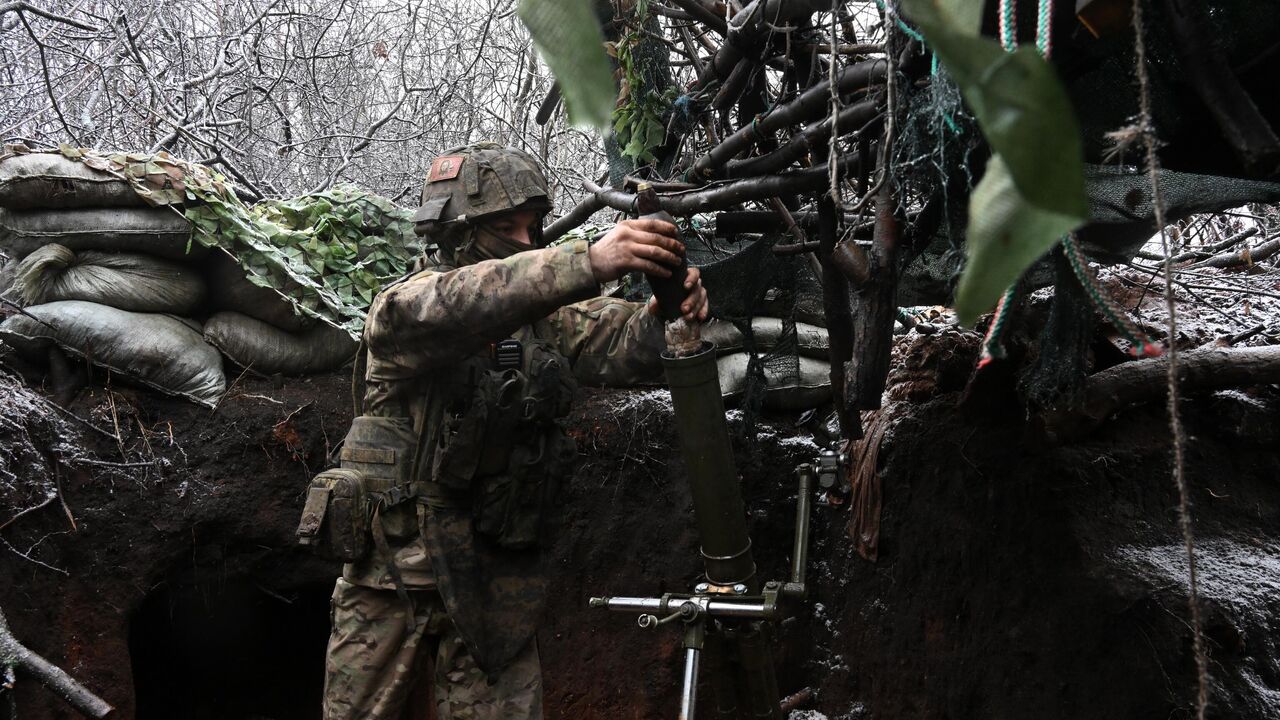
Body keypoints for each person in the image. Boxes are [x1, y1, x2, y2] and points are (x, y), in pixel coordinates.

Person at [321, 141, 708, 720]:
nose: (526, 242)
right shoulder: (404, 307)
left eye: (533, 228)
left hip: (490, 575)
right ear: (456, 233)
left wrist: (664, 315)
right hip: (393, 573)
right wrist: (588, 261)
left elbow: (617, 347)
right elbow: (462, 303)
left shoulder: (539, 321)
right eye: (507, 227)